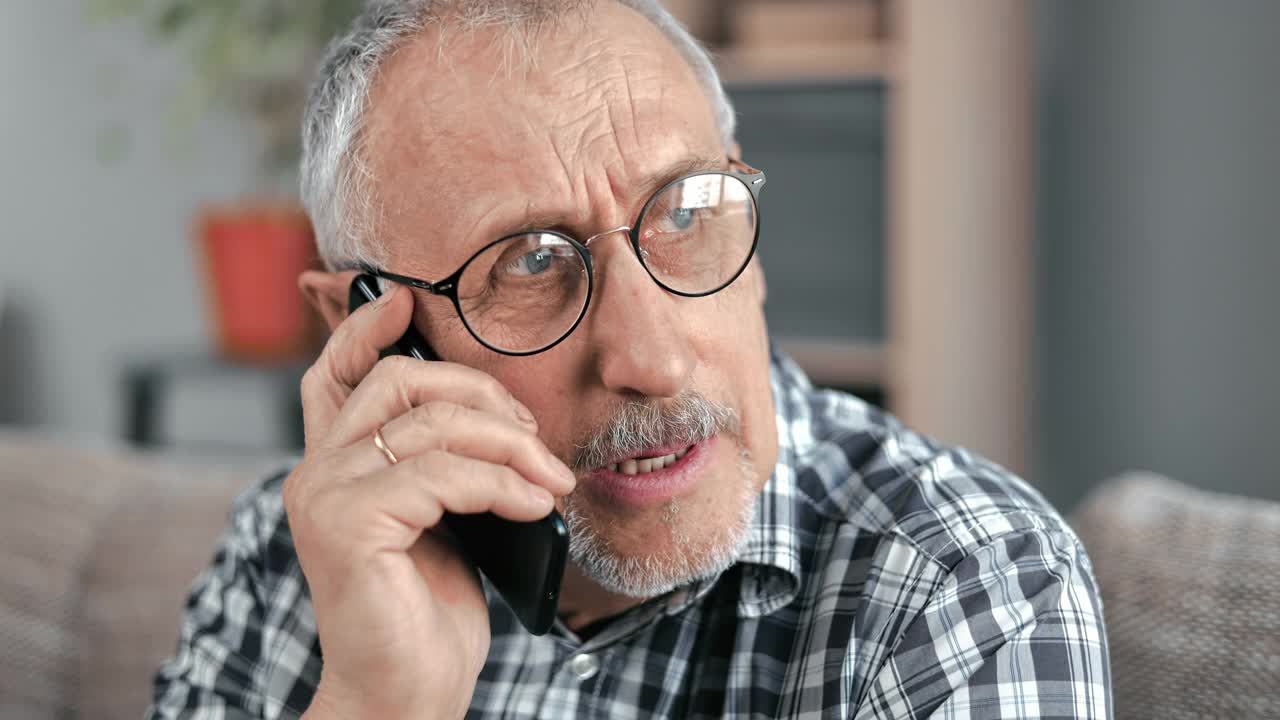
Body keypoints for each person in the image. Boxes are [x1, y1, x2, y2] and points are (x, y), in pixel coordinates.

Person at [149, 1, 1112, 717]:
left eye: (687, 213)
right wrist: (374, 701)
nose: (652, 358)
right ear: (362, 331)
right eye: (530, 261)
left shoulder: (969, 587)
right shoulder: (289, 554)